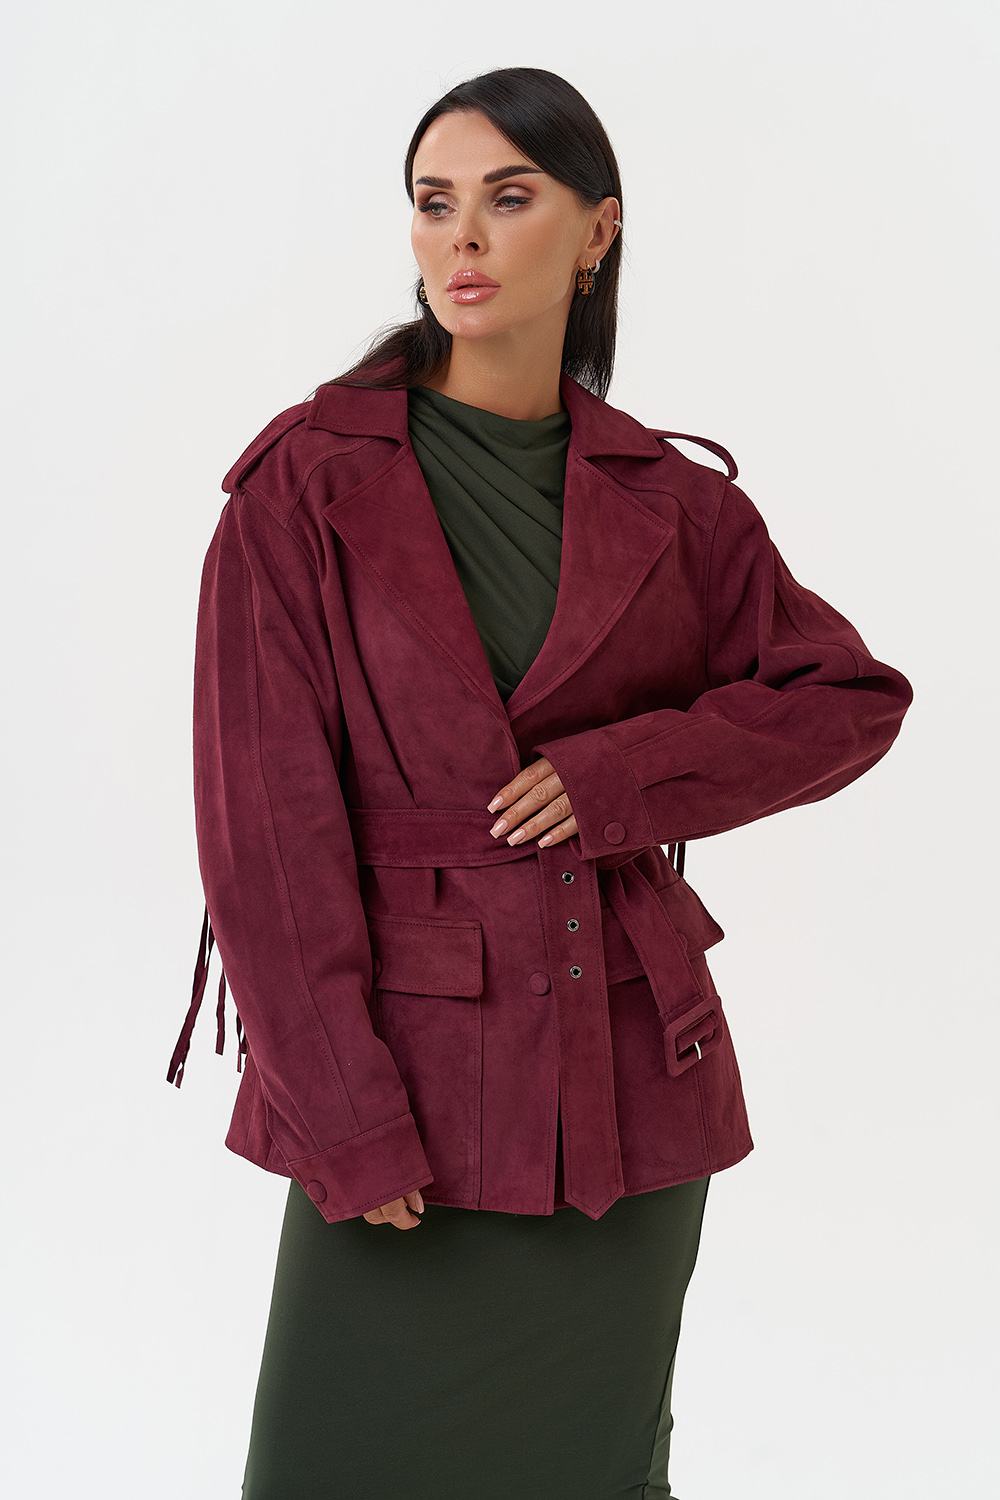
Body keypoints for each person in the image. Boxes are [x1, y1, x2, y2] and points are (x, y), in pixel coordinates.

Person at [168, 66, 912, 1500]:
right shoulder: (304, 485)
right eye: (434, 202)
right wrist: (345, 1115)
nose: (462, 238)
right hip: (403, 1088)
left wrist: (624, 772)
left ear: (596, 232)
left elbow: (847, 700)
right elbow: (265, 836)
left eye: (509, 199)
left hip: (621, 1084)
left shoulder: (679, 507)